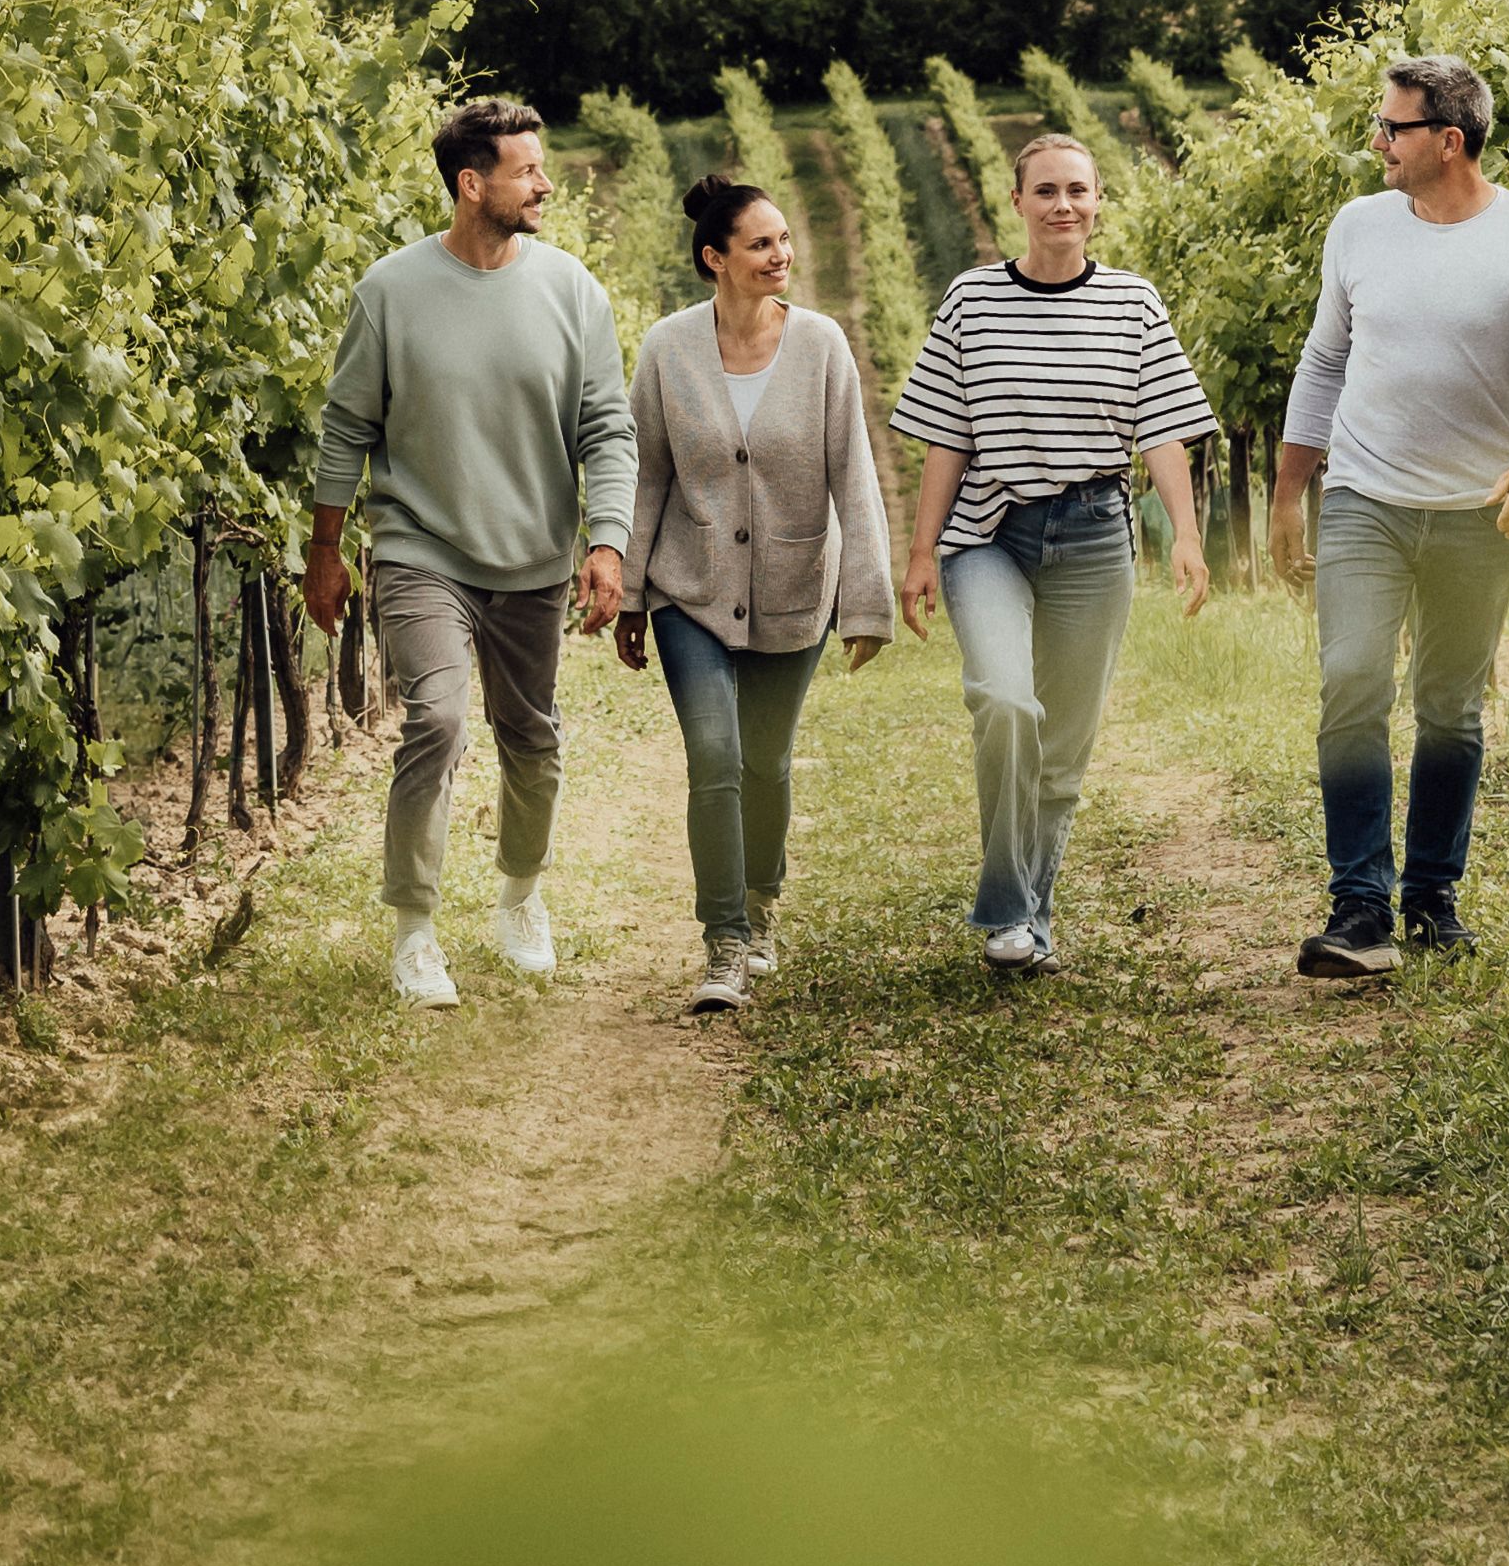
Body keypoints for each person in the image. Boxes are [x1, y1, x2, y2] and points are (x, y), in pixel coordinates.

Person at [307, 93, 635, 1008]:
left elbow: (608, 429)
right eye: (527, 170)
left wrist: (604, 542)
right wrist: (326, 549)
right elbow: (346, 429)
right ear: (470, 183)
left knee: (530, 738)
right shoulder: (390, 292)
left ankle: (520, 896)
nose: (543, 184)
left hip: (531, 554)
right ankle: (414, 930)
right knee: (439, 721)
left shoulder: (572, 290)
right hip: (421, 547)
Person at [1271, 52, 1509, 981]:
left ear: (1449, 142)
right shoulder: (1358, 228)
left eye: (1392, 128)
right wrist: (1290, 492)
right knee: (1351, 683)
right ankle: (1359, 907)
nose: (1376, 143)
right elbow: (1323, 362)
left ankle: (1431, 898)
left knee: (1448, 710)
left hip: (1472, 514)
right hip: (1363, 499)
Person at [897, 134, 1214, 972]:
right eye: (1045, 190)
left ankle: (1028, 919)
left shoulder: (1133, 304)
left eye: (1078, 190)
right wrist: (922, 550)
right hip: (988, 536)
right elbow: (943, 437)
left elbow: (1163, 431)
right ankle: (1008, 907)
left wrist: (1184, 535)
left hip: (1094, 537)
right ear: (1017, 203)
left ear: (1098, 203)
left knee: (1063, 749)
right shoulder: (970, 300)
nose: (1062, 205)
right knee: (1006, 703)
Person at [614, 173, 896, 1015]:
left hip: (793, 588)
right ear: (716, 259)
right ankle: (724, 941)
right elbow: (645, 476)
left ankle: (762, 898)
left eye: (784, 240)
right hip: (688, 591)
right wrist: (629, 593)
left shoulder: (821, 345)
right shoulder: (667, 349)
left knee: (765, 761)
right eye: (761, 243)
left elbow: (853, 472)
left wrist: (865, 600)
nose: (783, 255)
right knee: (715, 756)